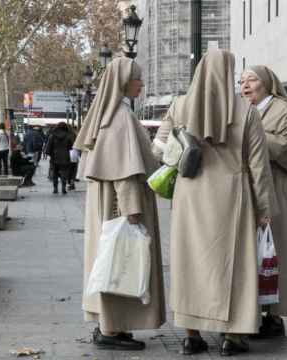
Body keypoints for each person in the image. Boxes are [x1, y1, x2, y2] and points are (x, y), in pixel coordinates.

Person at [153, 51, 276, 356]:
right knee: (234, 267)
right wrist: (264, 209)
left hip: (190, 195)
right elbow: (259, 166)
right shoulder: (246, 110)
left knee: (190, 262)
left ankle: (191, 335)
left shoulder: (180, 105)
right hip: (233, 196)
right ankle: (232, 337)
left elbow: (157, 148)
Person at [74, 57, 165, 351]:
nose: (142, 83)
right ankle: (111, 329)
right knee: (119, 262)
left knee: (113, 263)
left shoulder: (112, 113)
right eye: (138, 78)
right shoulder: (121, 118)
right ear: (125, 82)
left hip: (109, 207)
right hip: (120, 208)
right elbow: (123, 173)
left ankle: (113, 325)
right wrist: (132, 211)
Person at [240, 65, 287, 338]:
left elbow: (284, 144)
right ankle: (257, 312)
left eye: (252, 80)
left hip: (282, 186)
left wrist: (250, 135)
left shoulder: (282, 109)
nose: (245, 85)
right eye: (242, 81)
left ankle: (274, 315)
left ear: (267, 83)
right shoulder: (245, 109)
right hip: (258, 187)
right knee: (257, 252)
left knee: (279, 248)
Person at [45, 122, 73, 194]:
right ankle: (63, 188)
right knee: (64, 173)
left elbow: (48, 147)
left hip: (54, 157)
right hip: (65, 157)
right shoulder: (68, 136)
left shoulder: (52, 136)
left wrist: (50, 154)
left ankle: (55, 188)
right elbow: (71, 147)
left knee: (55, 173)